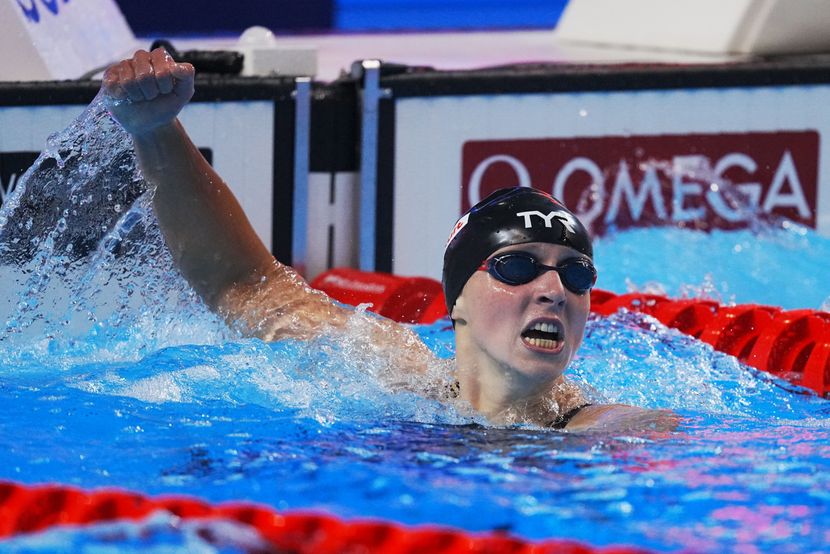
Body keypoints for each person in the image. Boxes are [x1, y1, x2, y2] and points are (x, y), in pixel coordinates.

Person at [102, 49, 676, 432]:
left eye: (576, 274)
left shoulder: (586, 428)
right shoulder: (390, 369)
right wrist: (156, 132)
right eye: (517, 266)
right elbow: (240, 284)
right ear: (457, 302)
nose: (554, 288)